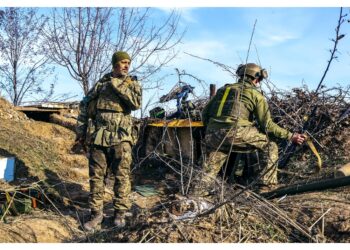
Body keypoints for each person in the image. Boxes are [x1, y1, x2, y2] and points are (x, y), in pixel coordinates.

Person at [194, 63, 305, 194]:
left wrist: (214, 129)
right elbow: (267, 126)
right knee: (270, 146)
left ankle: (195, 196)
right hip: (237, 133)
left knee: (207, 170)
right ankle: (265, 187)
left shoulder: (223, 90)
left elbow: (205, 114)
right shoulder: (255, 95)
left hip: (212, 134)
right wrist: (291, 136)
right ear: (256, 79)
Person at [75, 51, 142, 231]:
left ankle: (119, 213)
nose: (126, 65)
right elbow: (84, 105)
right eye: (123, 62)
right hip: (99, 137)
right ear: (114, 64)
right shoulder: (101, 84)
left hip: (121, 137)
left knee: (122, 176)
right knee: (96, 177)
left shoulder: (132, 83)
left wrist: (116, 85)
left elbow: (135, 104)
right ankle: (96, 214)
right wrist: (80, 132)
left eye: (128, 62)